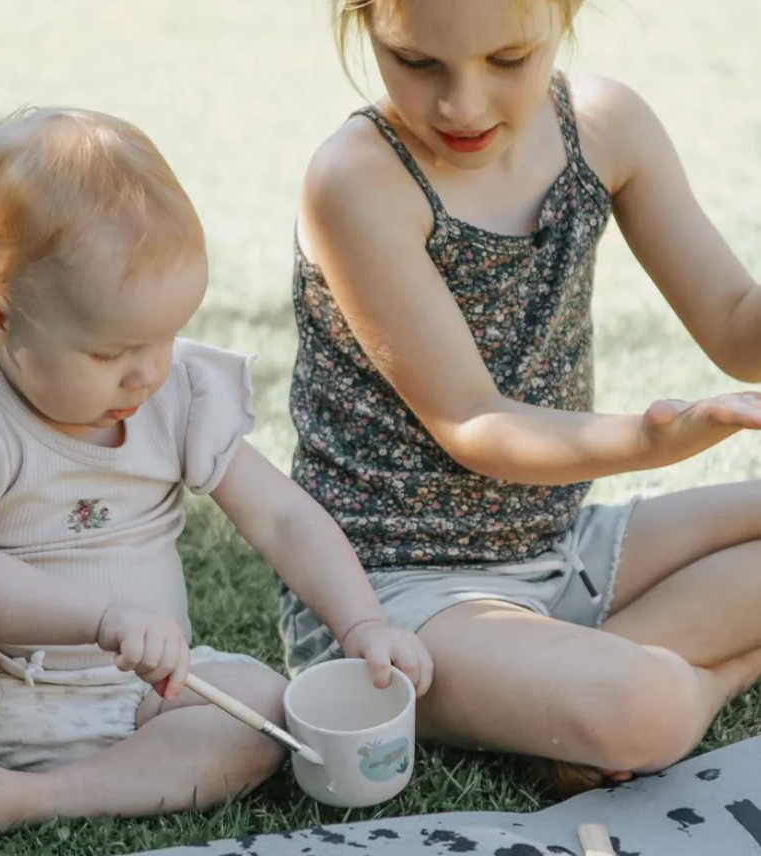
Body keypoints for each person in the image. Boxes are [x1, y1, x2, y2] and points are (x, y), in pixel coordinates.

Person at [0, 106, 433, 837]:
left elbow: (282, 515)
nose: (148, 372)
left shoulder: (175, 391)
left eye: (166, 336)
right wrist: (98, 619)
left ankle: (49, 795)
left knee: (261, 710)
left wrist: (361, 621)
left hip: (145, 692)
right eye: (109, 353)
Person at [282, 0, 761, 797]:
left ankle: (571, 676)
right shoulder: (357, 181)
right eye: (417, 62)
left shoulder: (607, 126)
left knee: (629, 682)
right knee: (645, 706)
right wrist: (656, 442)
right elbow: (474, 421)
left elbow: (736, 327)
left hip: (558, 544)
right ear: (365, 26)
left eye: (507, 61)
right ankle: (677, 685)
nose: (461, 105)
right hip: (391, 598)